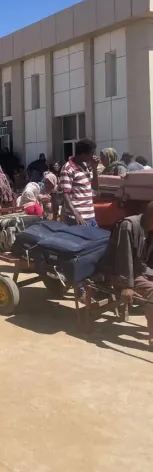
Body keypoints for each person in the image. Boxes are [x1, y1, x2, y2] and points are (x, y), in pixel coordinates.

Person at [101, 202, 153, 349]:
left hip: (138, 270)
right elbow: (125, 257)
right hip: (119, 272)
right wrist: (127, 286)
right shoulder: (128, 226)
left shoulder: (148, 228)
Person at [60, 138, 99, 226]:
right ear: (83, 154)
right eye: (91, 153)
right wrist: (76, 214)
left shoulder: (85, 166)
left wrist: (95, 169)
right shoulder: (68, 168)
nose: (93, 156)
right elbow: (65, 194)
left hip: (90, 216)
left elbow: (95, 188)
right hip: (77, 219)